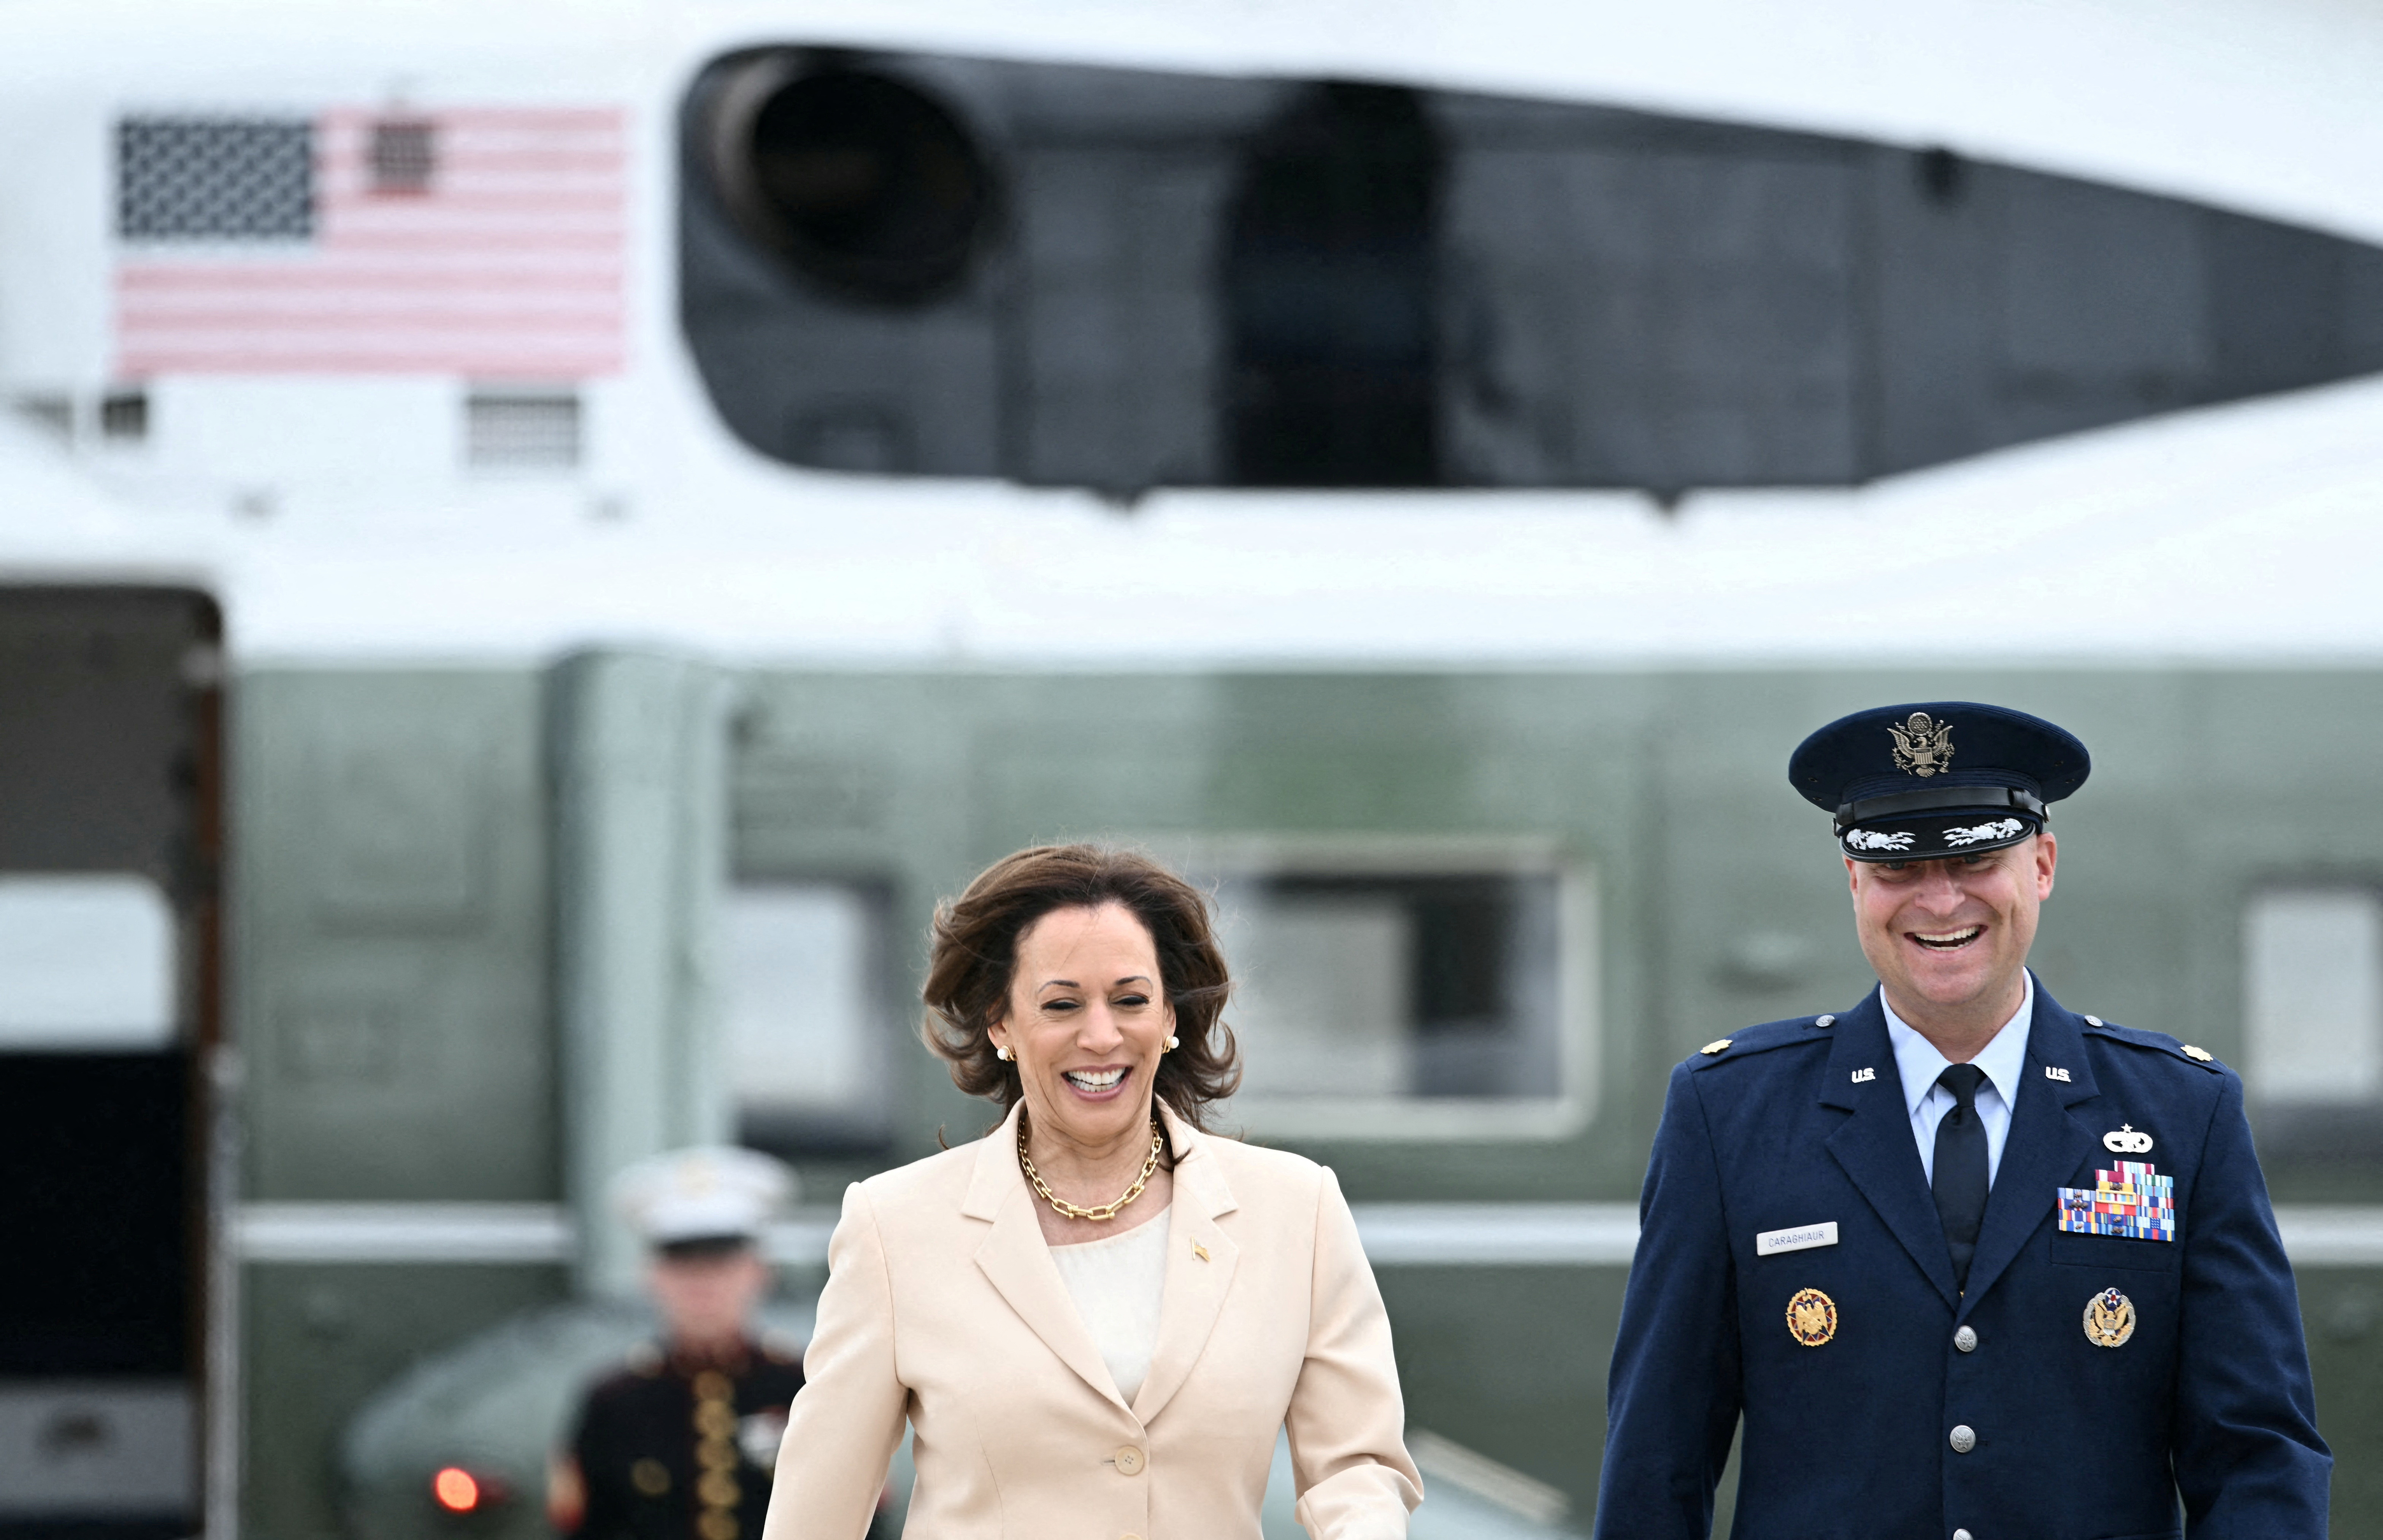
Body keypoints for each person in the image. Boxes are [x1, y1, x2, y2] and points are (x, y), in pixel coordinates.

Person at [1595, 701, 2331, 1540]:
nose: (1939, 900)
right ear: (1853, 884)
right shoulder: (1728, 1115)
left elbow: (2256, 1458)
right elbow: (1658, 1459)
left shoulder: (2180, 1116)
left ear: (2042, 864)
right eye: (1897, 868)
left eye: (1975, 857)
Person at [763, 843, 1423, 1540]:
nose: (1101, 1035)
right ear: (1000, 1025)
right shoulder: (893, 1227)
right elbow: (817, 1512)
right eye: (1062, 1004)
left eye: (1130, 1000)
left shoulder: (1296, 1209)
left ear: (1169, 1017)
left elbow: (1357, 1469)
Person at [552, 1146, 810, 1540]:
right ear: (652, 1276)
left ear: (759, 1272)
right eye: (683, 1263)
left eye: (721, 1263)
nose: (703, 1284)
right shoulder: (615, 1403)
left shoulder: (805, 1390)